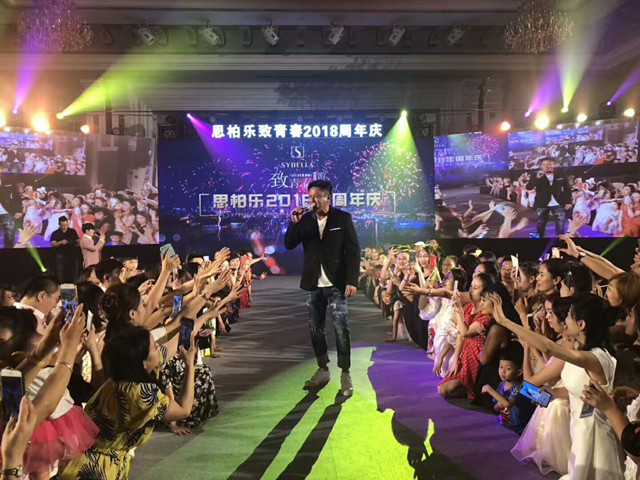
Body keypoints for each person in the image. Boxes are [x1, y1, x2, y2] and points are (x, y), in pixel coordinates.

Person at [489, 293, 626, 480]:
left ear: (581, 325)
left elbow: (548, 348)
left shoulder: (595, 357)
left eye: (569, 315)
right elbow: (581, 390)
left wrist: (506, 321)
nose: (565, 320)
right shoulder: (582, 352)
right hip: (580, 427)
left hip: (594, 432)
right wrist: (554, 393)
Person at [284, 180, 360, 397]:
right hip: (314, 283)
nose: (312, 200)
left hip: (336, 283)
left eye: (316, 196)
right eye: (310, 197)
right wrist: (294, 223)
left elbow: (353, 250)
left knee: (341, 329)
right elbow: (289, 244)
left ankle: (345, 372)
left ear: (328, 197)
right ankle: (323, 368)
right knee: (315, 329)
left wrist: (352, 281)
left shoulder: (342, 218)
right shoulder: (305, 219)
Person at [481, 351, 526, 434]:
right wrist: (497, 406)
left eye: (508, 369)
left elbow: (507, 404)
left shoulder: (519, 387)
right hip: (503, 423)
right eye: (501, 367)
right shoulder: (502, 384)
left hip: (516, 427)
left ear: (519, 372)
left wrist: (489, 389)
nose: (503, 371)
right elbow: (496, 406)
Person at [526, 157, 572, 238]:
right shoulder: (536, 174)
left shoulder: (561, 173)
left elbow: (567, 188)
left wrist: (568, 201)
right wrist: (537, 178)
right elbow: (529, 187)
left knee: (561, 223)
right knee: (541, 223)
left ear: (555, 165)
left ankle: (560, 240)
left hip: (558, 202)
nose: (547, 166)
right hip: (542, 203)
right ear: (541, 166)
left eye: (549, 164)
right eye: (544, 165)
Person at [50, 216, 80, 283]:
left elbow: (78, 242)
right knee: (59, 273)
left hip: (72, 255)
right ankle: (59, 284)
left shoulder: (72, 231)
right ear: (59, 224)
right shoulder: (55, 233)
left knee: (73, 272)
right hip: (60, 256)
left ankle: (74, 284)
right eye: (62, 225)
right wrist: (60, 242)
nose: (64, 227)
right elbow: (53, 244)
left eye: (66, 225)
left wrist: (71, 242)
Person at [0, 173, 22, 248]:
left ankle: (8, 252)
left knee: (9, 234)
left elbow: (17, 197)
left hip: (7, 211)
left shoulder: (8, 181)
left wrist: (18, 210)